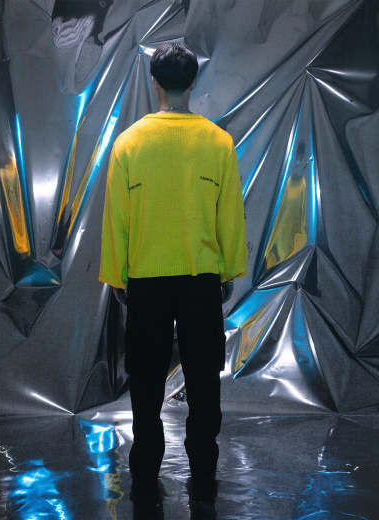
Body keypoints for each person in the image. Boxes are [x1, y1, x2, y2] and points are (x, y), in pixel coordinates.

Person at [99, 42, 247, 514]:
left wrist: (117, 275)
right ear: (194, 82)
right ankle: (202, 482)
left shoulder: (129, 144)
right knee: (204, 381)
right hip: (201, 278)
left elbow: (116, 218)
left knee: (146, 382)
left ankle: (145, 481)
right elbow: (230, 215)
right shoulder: (218, 142)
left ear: (154, 82)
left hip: (146, 279)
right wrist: (227, 269)